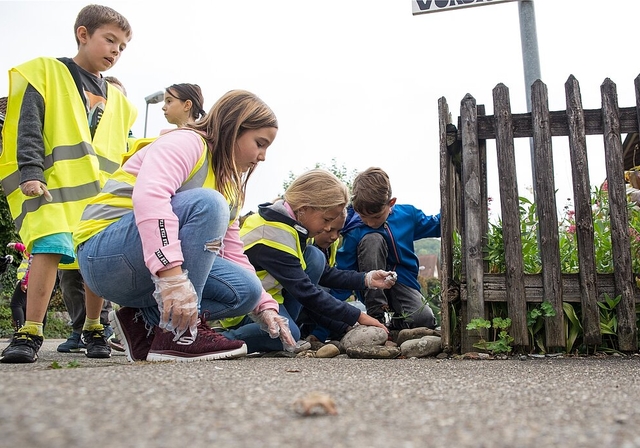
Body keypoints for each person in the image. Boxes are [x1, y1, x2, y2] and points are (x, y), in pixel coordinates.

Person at [73, 89, 294, 363]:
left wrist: (266, 307)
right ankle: (180, 333)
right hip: (104, 255)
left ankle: (145, 321)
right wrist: (171, 278)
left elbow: (234, 253)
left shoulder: (229, 186)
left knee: (246, 290)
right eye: (259, 143)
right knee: (209, 203)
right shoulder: (187, 143)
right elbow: (150, 197)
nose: (262, 156)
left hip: (142, 270)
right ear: (233, 128)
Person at [0, 4, 137, 363]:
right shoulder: (46, 72)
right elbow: (28, 125)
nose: (115, 51)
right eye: (110, 40)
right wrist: (30, 172)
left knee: (91, 258)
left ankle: (94, 327)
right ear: (83, 34)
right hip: (50, 186)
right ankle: (30, 330)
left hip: (97, 194)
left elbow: (122, 150)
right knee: (48, 247)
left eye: (122, 47)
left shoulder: (119, 100)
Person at [220, 168, 396, 354]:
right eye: (327, 219)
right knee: (289, 335)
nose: (328, 228)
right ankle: (222, 339)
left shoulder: (295, 226)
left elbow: (324, 274)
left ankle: (285, 326)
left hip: (270, 299)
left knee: (314, 257)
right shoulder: (273, 235)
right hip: (245, 308)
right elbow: (306, 291)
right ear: (304, 208)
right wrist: (357, 316)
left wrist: (366, 279)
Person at [56, 75, 131, 354]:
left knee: (96, 272)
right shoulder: (80, 127)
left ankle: (99, 327)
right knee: (69, 276)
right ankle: (78, 329)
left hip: (104, 211)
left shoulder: (126, 134)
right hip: (73, 207)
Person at [332, 167, 440, 330]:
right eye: (363, 217)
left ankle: (395, 325)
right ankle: (377, 315)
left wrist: (459, 204)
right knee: (372, 239)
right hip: (370, 285)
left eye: (375, 217)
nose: (369, 223)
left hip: (403, 283)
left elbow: (436, 225)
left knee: (424, 319)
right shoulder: (355, 229)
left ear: (391, 203)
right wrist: (324, 318)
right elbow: (344, 274)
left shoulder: (407, 215)